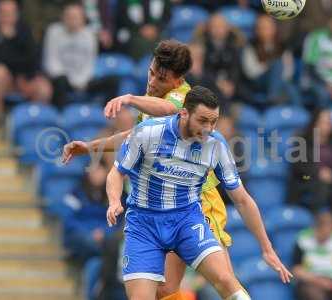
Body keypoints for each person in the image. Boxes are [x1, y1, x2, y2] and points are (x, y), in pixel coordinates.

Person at [62, 40, 246, 300]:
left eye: (160, 77)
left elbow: (170, 109)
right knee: (166, 289)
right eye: (150, 72)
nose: (151, 81)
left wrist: (129, 98)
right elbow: (132, 136)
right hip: (163, 205)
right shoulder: (152, 103)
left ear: (177, 79)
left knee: (223, 280)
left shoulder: (183, 98)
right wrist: (91, 147)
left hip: (197, 200)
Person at [106, 86, 292, 299]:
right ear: (183, 114)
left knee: (225, 279)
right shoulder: (148, 133)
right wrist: (114, 201)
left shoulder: (216, 144)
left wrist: (266, 248)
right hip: (144, 225)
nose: (209, 128)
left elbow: (241, 199)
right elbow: (116, 173)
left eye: (214, 121)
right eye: (203, 121)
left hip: (186, 220)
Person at [0, 0, 52, 127]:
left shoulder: (25, 30)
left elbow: (32, 57)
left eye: (9, 13)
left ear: (16, 14)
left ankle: (33, 120)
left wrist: (25, 77)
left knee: (44, 89)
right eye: (2, 13)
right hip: (7, 80)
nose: (5, 16)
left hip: (26, 77)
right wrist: (8, 39)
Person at [43, 2, 99, 108]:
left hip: (83, 81)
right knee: (60, 81)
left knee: (113, 81)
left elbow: (90, 63)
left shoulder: (90, 34)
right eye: (69, 17)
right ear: (63, 18)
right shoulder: (53, 31)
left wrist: (81, 81)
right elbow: (51, 61)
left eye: (76, 17)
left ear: (83, 19)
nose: (72, 20)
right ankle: (61, 116)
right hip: (62, 79)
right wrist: (69, 80)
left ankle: (107, 115)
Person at [292, 209, 332, 300]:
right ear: (316, 227)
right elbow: (297, 270)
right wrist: (319, 281)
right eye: (324, 230)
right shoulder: (303, 239)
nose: (327, 234)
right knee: (315, 296)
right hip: (311, 281)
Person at [288, 109, 332, 212]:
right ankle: (316, 219)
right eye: (323, 122)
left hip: (330, 177)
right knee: (320, 184)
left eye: (329, 123)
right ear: (314, 123)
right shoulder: (302, 141)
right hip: (305, 178)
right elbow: (299, 167)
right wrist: (318, 173)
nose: (327, 126)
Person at [241, 14, 300, 107]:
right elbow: (251, 72)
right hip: (259, 81)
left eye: (267, 27)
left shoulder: (283, 46)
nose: (265, 31)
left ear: (274, 29)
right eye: (261, 28)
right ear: (256, 30)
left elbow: (289, 70)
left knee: (291, 88)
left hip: (280, 81)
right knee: (277, 64)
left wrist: (275, 74)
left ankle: (299, 112)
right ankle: (273, 98)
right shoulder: (250, 46)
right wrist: (269, 68)